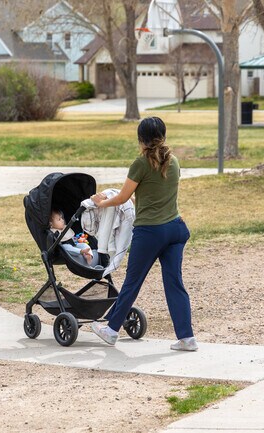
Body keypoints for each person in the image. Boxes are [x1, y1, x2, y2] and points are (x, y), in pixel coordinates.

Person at [90, 116, 197, 351]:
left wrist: (101, 203)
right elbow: (154, 194)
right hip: (175, 229)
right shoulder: (174, 161)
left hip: (150, 232)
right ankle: (187, 338)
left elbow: (122, 197)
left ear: (141, 139)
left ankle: (111, 329)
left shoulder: (140, 163)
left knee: (132, 282)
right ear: (163, 135)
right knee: (174, 283)